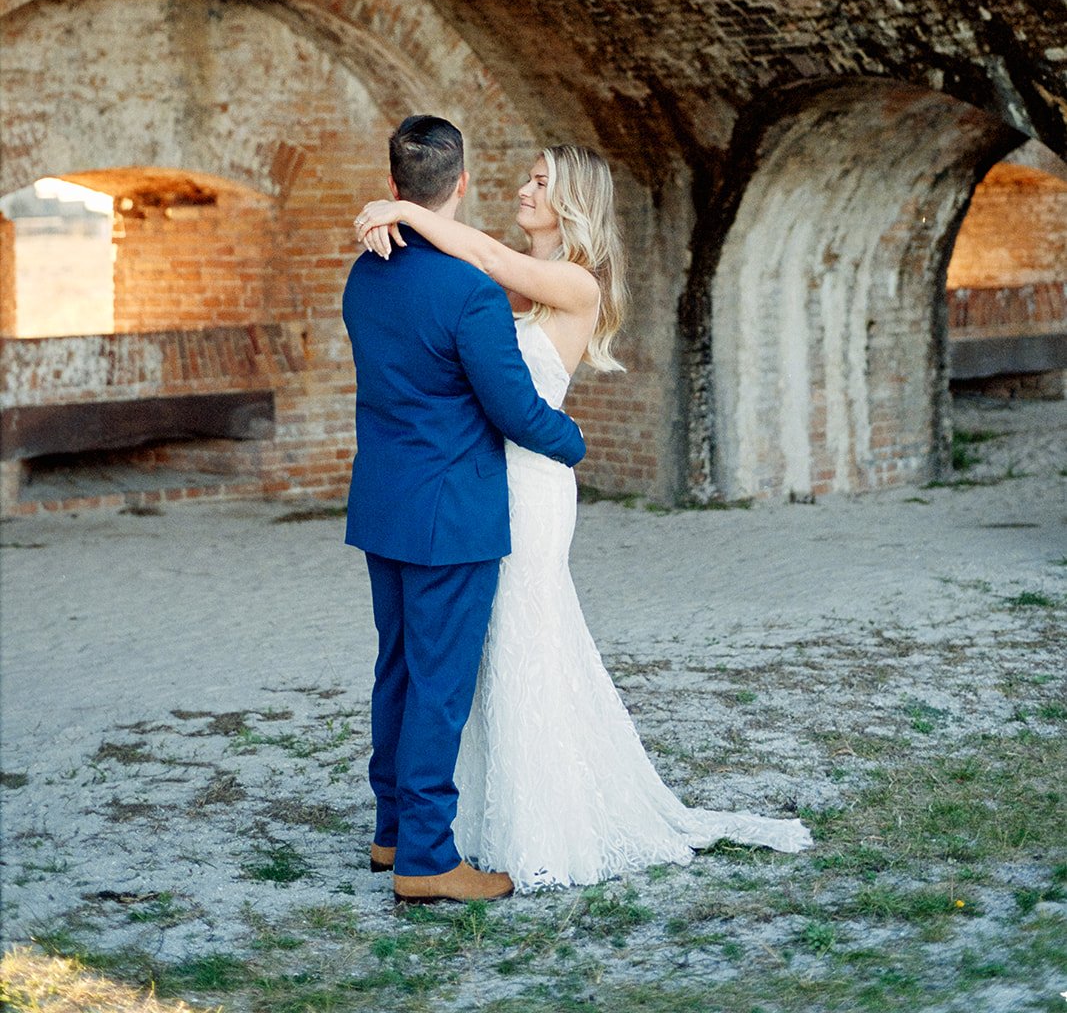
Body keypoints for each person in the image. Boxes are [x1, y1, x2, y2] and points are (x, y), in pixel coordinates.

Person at [354, 143, 813, 892]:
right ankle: (441, 826)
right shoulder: (505, 290)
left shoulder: (570, 283)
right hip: (475, 485)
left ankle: (524, 816)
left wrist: (401, 209)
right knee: (472, 654)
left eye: (543, 181)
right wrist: (403, 224)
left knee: (516, 639)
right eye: (530, 177)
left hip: (527, 487)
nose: (527, 188)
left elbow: (481, 259)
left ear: (573, 203)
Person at [342, 116, 587, 905]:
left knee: (399, 672)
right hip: (452, 515)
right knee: (442, 688)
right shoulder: (470, 292)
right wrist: (572, 443)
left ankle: (390, 831)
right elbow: (515, 410)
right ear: (463, 183)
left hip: (385, 504)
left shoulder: (366, 273)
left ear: (392, 189)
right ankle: (425, 860)